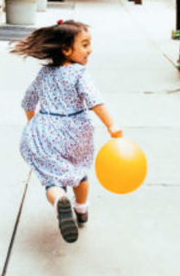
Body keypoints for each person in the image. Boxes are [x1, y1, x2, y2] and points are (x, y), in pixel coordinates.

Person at [12, 20, 122, 243]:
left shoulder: (44, 74)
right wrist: (111, 125)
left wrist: (33, 125)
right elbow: (95, 102)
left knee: (51, 180)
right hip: (75, 134)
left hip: (44, 132)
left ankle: (59, 198)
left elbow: (28, 102)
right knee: (79, 173)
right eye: (85, 44)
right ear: (66, 49)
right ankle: (81, 209)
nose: (90, 49)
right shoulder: (79, 74)